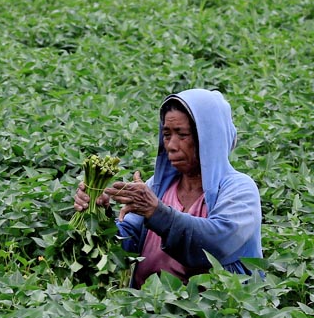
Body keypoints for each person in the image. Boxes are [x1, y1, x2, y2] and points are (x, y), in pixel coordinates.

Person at [74, 88, 263, 288]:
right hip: (148, 310)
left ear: (209, 139)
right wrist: (98, 215)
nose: (171, 145)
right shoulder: (157, 187)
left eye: (182, 135)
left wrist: (156, 212)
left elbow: (216, 244)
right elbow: (125, 244)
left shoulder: (239, 189)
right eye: (166, 134)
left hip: (214, 312)